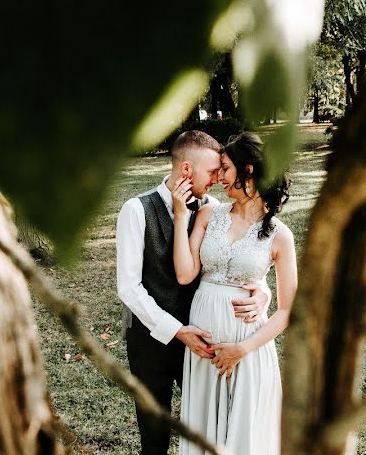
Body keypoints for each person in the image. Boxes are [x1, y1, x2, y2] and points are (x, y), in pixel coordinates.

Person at [116, 130, 269, 455]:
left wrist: (263, 293)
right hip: (151, 342)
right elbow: (129, 288)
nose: (218, 179)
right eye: (213, 171)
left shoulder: (214, 209)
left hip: (205, 339)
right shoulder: (136, 210)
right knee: (154, 435)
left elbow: (238, 261)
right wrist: (176, 331)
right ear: (187, 170)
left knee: (210, 426)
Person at [171, 132, 297, 455]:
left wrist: (241, 348)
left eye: (224, 169)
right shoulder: (208, 214)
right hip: (205, 352)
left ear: (248, 170)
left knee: (245, 440)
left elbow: (287, 312)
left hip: (248, 352)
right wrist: (181, 215)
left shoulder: (280, 236)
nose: (218, 178)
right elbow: (186, 273)